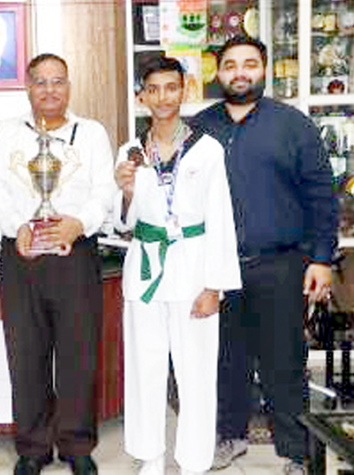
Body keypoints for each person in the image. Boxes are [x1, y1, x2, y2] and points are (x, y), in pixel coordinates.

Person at [191, 36, 336, 475]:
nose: (240, 72)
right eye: (231, 64)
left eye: (249, 63)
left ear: (264, 69)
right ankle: (229, 438)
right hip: (217, 267)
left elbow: (321, 196)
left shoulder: (293, 126)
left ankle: (294, 453)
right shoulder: (199, 127)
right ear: (218, 73)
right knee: (225, 360)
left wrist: (322, 259)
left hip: (280, 264)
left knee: (284, 365)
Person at [0, 53, 117, 475]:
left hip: (74, 253)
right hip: (22, 254)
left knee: (79, 354)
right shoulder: (5, 133)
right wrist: (15, 226)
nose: (50, 90)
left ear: (69, 86)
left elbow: (104, 191)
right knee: (26, 354)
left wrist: (79, 224)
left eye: (58, 81)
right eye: (40, 82)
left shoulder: (90, 133)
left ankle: (77, 445)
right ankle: (33, 448)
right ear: (27, 87)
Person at [113, 56, 241, 475]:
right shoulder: (131, 152)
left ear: (183, 90)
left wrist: (214, 286)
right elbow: (122, 222)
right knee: (144, 368)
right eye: (154, 89)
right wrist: (127, 192)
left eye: (171, 87)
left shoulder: (207, 149)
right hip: (146, 270)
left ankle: (194, 462)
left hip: (193, 269)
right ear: (142, 95)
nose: (163, 97)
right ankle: (150, 457)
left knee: (196, 372)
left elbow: (221, 219)